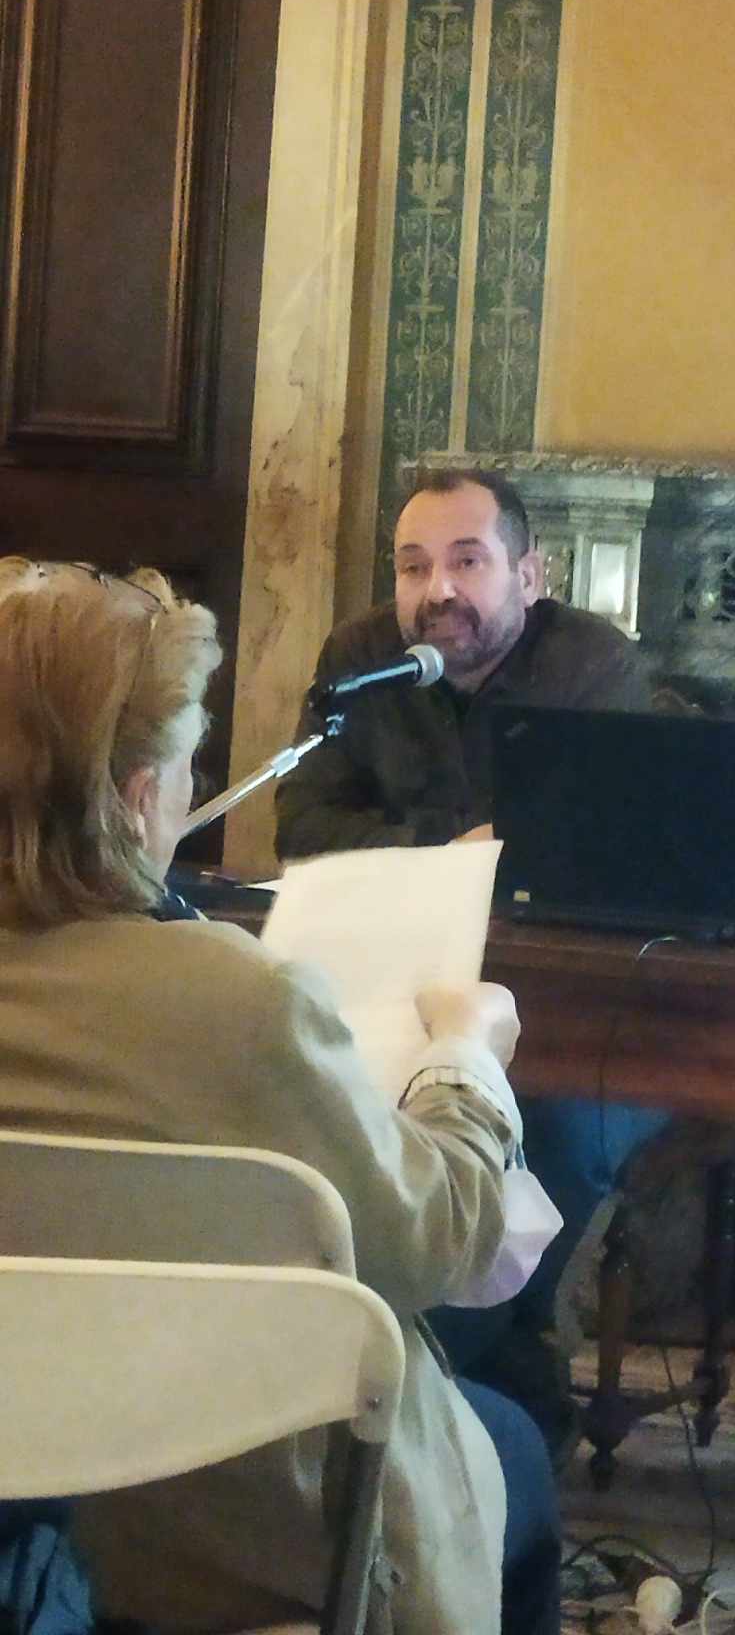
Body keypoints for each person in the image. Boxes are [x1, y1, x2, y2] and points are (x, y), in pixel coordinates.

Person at [0, 557, 560, 1635]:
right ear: (137, 797)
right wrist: (465, 1060)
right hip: (233, 1535)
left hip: (31, 1525)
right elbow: (431, 1242)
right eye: (185, 764)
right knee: (516, 1449)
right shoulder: (236, 1002)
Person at [275, 469, 669, 1448]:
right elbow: (303, 826)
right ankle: (468, 1374)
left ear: (530, 575)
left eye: (466, 561)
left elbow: (602, 847)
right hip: (398, 986)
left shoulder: (592, 667)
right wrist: (459, 845)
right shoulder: (361, 659)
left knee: (559, 1131)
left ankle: (459, 1358)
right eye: (413, 566)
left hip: (580, 1008)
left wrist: (422, 846)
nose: (436, 589)